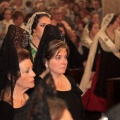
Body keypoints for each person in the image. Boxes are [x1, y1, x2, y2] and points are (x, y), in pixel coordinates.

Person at [80, 13, 120, 112]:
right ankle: (105, 111)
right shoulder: (100, 36)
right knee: (104, 89)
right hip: (105, 67)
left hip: (117, 66)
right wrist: (93, 70)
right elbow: (94, 54)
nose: (118, 24)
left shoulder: (118, 34)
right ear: (111, 23)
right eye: (117, 22)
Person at [0, 25, 36, 120]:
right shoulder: (3, 109)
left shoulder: (31, 98)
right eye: (27, 71)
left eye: (32, 69)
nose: (34, 74)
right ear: (11, 76)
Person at [42, 40, 84, 120]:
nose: (64, 62)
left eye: (65, 57)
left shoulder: (70, 80)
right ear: (46, 62)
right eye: (58, 58)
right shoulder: (41, 86)